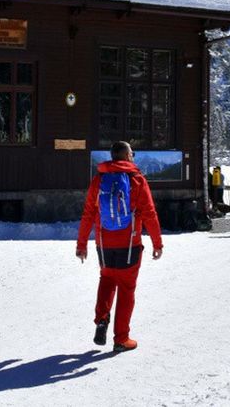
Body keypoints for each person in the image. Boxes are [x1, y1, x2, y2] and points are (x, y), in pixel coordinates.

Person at [76, 141, 163, 353]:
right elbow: (150, 213)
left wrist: (81, 245)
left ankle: (102, 319)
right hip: (129, 246)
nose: (133, 156)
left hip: (104, 245)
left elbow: (88, 213)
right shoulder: (137, 180)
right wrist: (157, 242)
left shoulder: (99, 180)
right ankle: (121, 339)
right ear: (127, 156)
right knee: (126, 290)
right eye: (132, 153)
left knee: (106, 280)